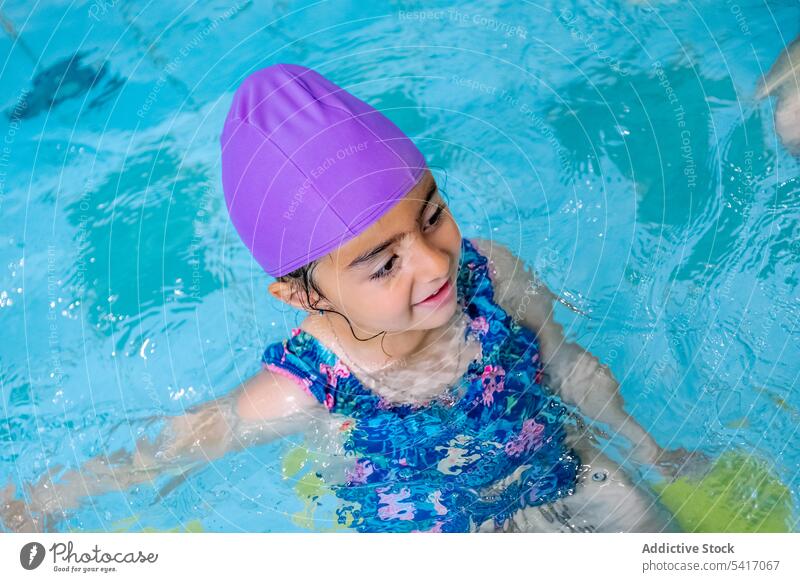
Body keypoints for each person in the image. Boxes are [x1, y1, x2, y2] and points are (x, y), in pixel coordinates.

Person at [1, 64, 698, 533]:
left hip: (560, 467)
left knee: (638, 517)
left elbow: (569, 367)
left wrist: (650, 449)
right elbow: (170, 449)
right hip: (434, 529)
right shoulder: (308, 388)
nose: (433, 264)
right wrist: (41, 500)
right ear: (300, 293)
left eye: (431, 215)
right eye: (382, 263)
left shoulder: (492, 272)